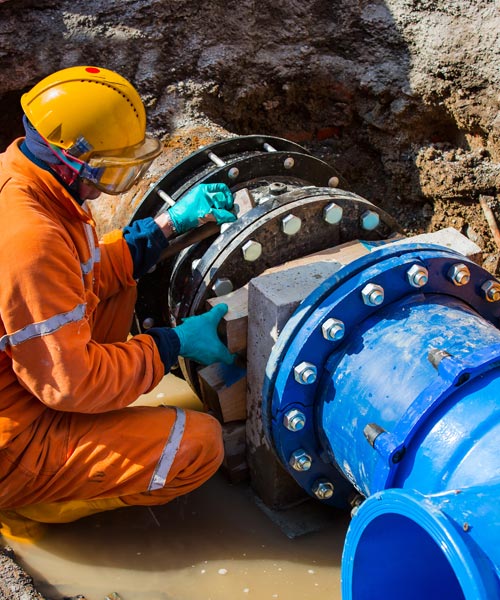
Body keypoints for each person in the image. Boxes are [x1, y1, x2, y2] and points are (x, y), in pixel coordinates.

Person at [0, 66, 237, 542]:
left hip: (28, 380)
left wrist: (165, 228)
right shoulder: (31, 240)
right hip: (11, 444)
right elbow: (72, 383)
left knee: (122, 284)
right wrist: (171, 345)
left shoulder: (27, 180)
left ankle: (81, 434)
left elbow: (81, 273)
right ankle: (28, 506)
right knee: (199, 446)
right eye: (109, 171)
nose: (110, 184)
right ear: (70, 160)